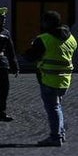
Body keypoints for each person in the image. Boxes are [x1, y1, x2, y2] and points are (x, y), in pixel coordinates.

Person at [24, 10, 76, 147]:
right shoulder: (71, 38)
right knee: (58, 106)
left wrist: (33, 45)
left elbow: (30, 56)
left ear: (47, 22)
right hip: (65, 80)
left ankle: (55, 137)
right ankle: (61, 134)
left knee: (53, 108)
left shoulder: (44, 39)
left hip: (48, 79)